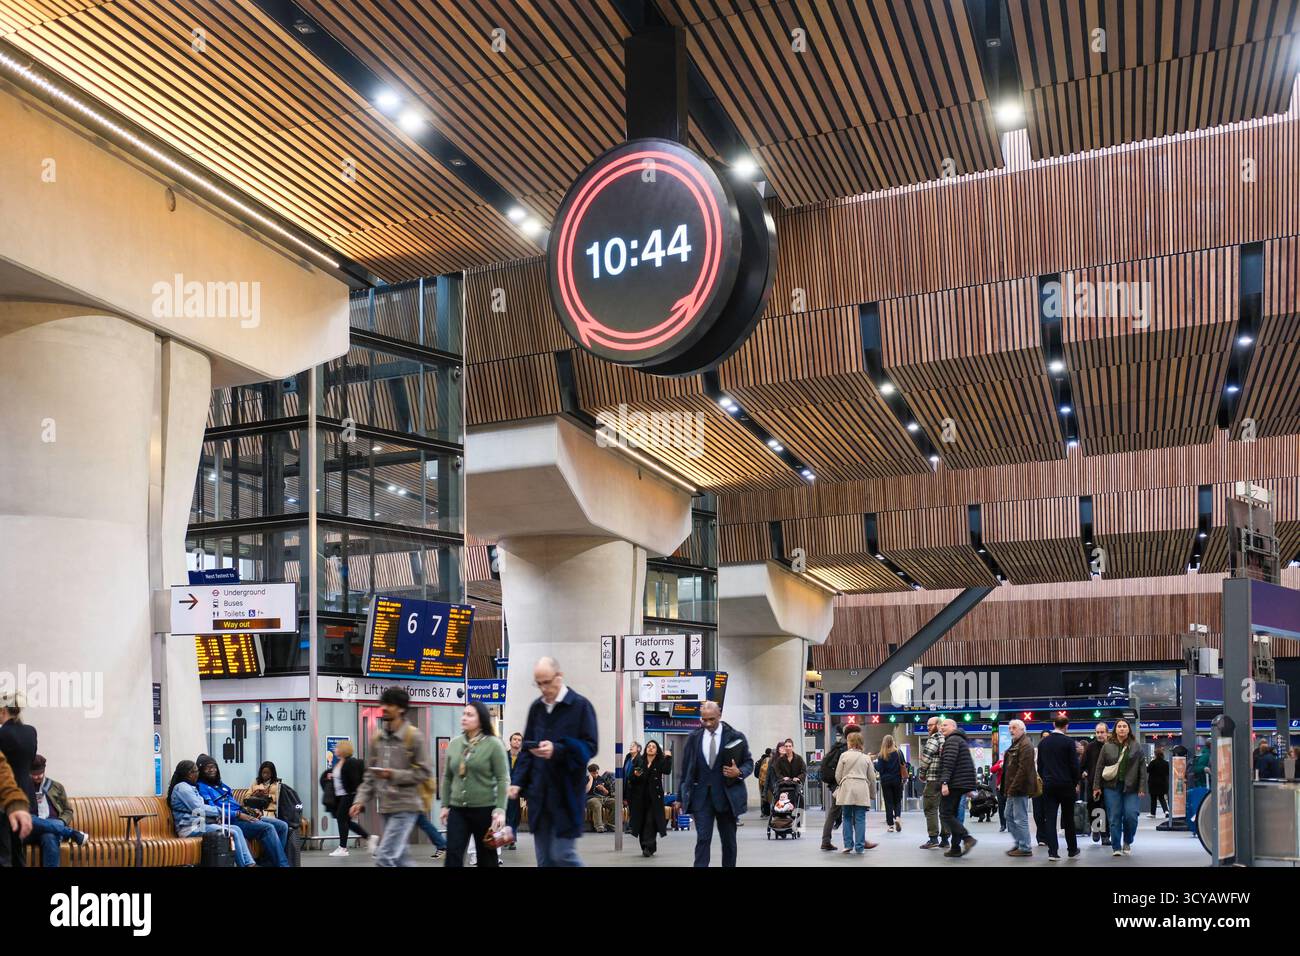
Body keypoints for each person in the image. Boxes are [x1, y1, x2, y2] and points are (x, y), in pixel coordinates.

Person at [509, 657, 598, 867]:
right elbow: (527, 749)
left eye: (547, 682)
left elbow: (590, 747)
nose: (543, 688)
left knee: (562, 855)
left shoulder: (580, 706)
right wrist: (517, 781)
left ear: (559, 677)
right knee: (545, 861)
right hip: (540, 796)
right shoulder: (536, 708)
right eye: (538, 683)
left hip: (565, 795)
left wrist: (557, 749)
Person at [348, 687, 432, 867]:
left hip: (406, 806)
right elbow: (370, 775)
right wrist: (359, 800)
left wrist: (393, 775)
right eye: (383, 704)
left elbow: (425, 772)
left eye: (390, 705)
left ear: (401, 709)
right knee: (402, 860)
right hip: (386, 806)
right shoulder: (378, 738)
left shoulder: (414, 736)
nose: (384, 708)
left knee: (385, 857)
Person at [679, 701, 752, 868]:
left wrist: (739, 772)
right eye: (704, 720)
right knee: (703, 839)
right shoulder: (694, 738)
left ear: (719, 715)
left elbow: (749, 763)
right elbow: (686, 770)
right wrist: (680, 797)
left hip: (727, 798)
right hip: (701, 799)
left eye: (711, 719)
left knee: (728, 842)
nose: (708, 723)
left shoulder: (735, 736)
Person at [440, 701, 510, 868]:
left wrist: (500, 809)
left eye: (470, 715)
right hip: (458, 810)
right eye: (464, 714)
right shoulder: (455, 744)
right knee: (453, 855)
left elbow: (503, 778)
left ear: (481, 719)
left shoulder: (494, 744)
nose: (464, 718)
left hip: (485, 810)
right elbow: (448, 776)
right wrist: (444, 805)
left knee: (487, 858)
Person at [197, 753, 290, 866]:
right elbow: (214, 810)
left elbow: (236, 804)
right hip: (231, 820)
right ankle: (283, 865)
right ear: (201, 770)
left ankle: (268, 863)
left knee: (282, 826)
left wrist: (249, 810)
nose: (212, 770)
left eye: (214, 767)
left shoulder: (222, 785)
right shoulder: (201, 787)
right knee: (267, 828)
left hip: (242, 815)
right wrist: (239, 814)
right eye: (208, 767)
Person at [168, 759, 256, 867]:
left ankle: (250, 863)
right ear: (188, 774)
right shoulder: (182, 787)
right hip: (190, 828)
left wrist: (215, 817)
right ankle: (244, 865)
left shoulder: (190, 787)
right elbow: (199, 808)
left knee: (237, 829)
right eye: (195, 771)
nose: (197, 774)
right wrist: (219, 812)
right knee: (232, 832)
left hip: (200, 825)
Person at [1092, 717, 1147, 857]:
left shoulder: (1136, 745)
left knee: (1131, 816)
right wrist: (1096, 786)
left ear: (1128, 729)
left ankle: (1128, 840)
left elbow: (1142, 768)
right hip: (1111, 787)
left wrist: (1142, 787)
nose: (1122, 728)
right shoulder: (1107, 746)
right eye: (1119, 726)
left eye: (1124, 726)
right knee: (1114, 817)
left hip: (1132, 787)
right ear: (1115, 729)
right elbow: (1099, 767)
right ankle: (1116, 846)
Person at [27, 755, 88, 866]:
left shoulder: (56, 786)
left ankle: (61, 828)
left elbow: (68, 810)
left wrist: (61, 822)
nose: (36, 777)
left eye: (39, 774)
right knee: (28, 818)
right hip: (30, 830)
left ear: (44, 771)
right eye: (33, 774)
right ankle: (70, 833)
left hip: (51, 830)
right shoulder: (23, 787)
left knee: (49, 837)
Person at [1037, 716, 1081, 860]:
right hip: (1067, 785)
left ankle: (1053, 852)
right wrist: (1075, 782)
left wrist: (1045, 779)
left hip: (1049, 785)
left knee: (1050, 818)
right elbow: (1075, 766)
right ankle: (1072, 849)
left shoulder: (1044, 743)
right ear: (1067, 726)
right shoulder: (1069, 742)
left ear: (1053, 724)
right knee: (1068, 818)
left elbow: (1040, 765)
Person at [320, 740, 369, 857]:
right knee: (346, 821)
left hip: (348, 795)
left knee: (342, 819)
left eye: (337, 748)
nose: (335, 749)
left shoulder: (349, 762)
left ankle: (343, 847)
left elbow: (354, 780)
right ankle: (370, 838)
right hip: (341, 796)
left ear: (343, 749)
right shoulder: (339, 763)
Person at [937, 718, 978, 858]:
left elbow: (949, 762)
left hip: (954, 783)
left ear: (954, 727)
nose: (942, 728)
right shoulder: (960, 740)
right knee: (953, 815)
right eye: (941, 725)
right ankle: (955, 847)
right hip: (960, 783)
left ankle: (967, 838)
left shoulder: (952, 740)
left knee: (945, 813)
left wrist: (944, 783)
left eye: (945, 725)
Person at [626, 740, 672, 856]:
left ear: (657, 751)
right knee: (641, 823)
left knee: (650, 821)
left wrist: (669, 758)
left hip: (654, 798)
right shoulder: (640, 761)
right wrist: (636, 775)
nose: (651, 748)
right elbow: (631, 778)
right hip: (640, 798)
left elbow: (667, 770)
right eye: (649, 746)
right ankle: (647, 847)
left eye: (654, 747)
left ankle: (648, 845)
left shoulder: (659, 761)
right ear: (646, 749)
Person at [835, 731, 878, 854]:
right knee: (860, 818)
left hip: (847, 788)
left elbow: (838, 775)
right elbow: (872, 778)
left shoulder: (844, 756)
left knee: (847, 817)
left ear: (850, 743)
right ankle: (860, 847)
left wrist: (842, 783)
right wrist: (872, 794)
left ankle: (848, 845)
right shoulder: (866, 758)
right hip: (862, 789)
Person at [1001, 719, 1037, 857]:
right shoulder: (1016, 744)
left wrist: (1013, 787)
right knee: (1008, 815)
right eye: (1010, 728)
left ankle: (1025, 847)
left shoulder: (1025, 745)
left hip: (1019, 788)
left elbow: (1023, 770)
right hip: (1013, 787)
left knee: (1020, 818)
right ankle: (1019, 842)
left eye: (1014, 728)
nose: (1011, 730)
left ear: (1022, 729)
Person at [818, 724, 855, 851]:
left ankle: (825, 840)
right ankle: (860, 840)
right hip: (841, 785)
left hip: (836, 784)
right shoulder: (845, 749)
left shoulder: (837, 746)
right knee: (851, 812)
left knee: (834, 812)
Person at [0, 695, 38, 812]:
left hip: (9, 797)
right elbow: (32, 760)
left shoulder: (2, 733)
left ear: (2, 711)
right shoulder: (31, 731)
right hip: (29, 793)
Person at [918, 716, 948, 849]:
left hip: (933, 779)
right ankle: (945, 839)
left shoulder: (935, 738)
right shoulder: (947, 738)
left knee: (930, 808)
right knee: (944, 809)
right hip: (945, 780)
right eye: (927, 725)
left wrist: (922, 774)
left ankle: (933, 838)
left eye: (930, 725)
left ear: (938, 725)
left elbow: (926, 758)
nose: (928, 727)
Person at [0, 751, 33, 867]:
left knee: (50, 836)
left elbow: (2, 771)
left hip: (17, 816)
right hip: (24, 818)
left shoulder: (55, 787)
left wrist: (15, 801)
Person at [1082, 723, 1109, 843]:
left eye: (1102, 732)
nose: (1099, 735)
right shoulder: (1090, 747)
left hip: (1109, 784)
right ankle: (1096, 829)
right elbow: (1082, 764)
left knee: (1107, 810)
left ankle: (1105, 835)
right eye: (1097, 732)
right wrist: (1082, 773)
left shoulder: (1111, 746)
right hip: (1093, 784)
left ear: (1107, 733)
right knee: (1094, 808)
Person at [874, 734, 905, 833]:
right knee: (897, 801)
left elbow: (879, 768)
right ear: (893, 742)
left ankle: (890, 825)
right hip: (897, 780)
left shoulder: (881, 754)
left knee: (888, 802)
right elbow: (904, 764)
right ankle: (898, 818)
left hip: (886, 781)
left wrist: (875, 764)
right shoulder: (898, 752)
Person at [505, 733, 524, 848]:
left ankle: (511, 839)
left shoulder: (524, 758)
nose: (517, 741)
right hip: (503, 790)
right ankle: (504, 838)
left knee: (514, 816)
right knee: (503, 815)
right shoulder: (503, 755)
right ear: (510, 741)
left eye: (519, 740)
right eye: (514, 739)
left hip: (515, 791)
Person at [585, 764, 615, 832]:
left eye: (597, 773)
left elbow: (608, 793)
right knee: (597, 804)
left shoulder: (601, 779)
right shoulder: (586, 779)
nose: (596, 775)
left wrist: (603, 789)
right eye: (593, 773)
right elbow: (585, 791)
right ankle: (599, 826)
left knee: (616, 803)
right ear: (589, 773)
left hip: (603, 798)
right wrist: (591, 780)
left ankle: (611, 824)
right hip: (591, 798)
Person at [1147, 747, 1171, 816]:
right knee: (1162, 798)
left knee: (1153, 799)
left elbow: (1148, 770)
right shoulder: (1166, 763)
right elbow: (1168, 772)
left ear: (1155, 755)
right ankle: (1166, 811)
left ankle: (1153, 813)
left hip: (1153, 783)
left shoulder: (1153, 762)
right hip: (1162, 783)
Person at [990, 755, 1006, 831]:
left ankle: (1010, 825)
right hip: (1000, 789)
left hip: (1009, 789)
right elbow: (992, 770)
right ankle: (1003, 824)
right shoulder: (1000, 762)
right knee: (1001, 807)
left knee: (1010, 808)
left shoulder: (1013, 763)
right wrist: (1000, 765)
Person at [756, 748, 772, 816]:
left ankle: (763, 812)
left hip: (761, 781)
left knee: (763, 797)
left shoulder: (760, 760)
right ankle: (768, 812)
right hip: (767, 782)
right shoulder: (768, 760)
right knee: (769, 797)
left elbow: (757, 773)